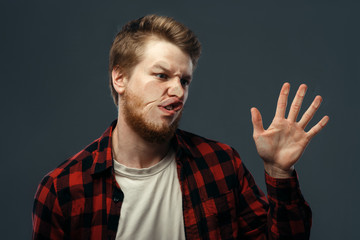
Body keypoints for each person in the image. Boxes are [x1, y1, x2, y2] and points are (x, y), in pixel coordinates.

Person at [32, 14, 329, 240]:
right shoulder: (63, 190)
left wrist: (279, 173)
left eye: (184, 80)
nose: (178, 91)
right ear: (119, 79)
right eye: (162, 76)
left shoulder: (221, 165)